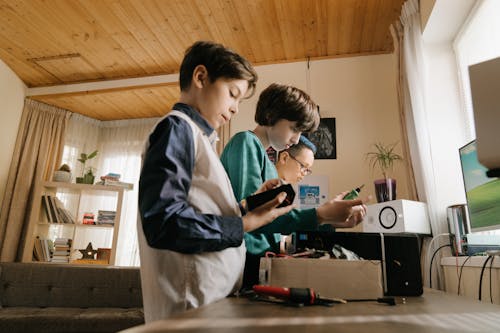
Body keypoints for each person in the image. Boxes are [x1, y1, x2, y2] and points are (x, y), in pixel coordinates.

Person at [137, 41, 294, 322]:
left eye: (240, 101)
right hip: (189, 307)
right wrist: (244, 224)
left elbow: (200, 208)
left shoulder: (200, 139)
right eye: (233, 94)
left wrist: (247, 206)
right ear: (200, 77)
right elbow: (163, 222)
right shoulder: (177, 130)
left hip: (207, 301)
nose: (235, 108)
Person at [220, 83, 367, 287]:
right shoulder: (246, 142)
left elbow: (278, 221)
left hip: (262, 260)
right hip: (244, 260)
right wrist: (321, 214)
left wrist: (329, 219)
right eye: (295, 128)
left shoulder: (269, 165)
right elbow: (254, 213)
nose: (297, 138)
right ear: (271, 116)